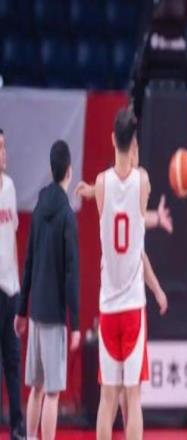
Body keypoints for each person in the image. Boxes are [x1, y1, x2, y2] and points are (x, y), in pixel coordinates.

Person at [74, 120, 170, 429]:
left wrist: (91, 191)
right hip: (132, 309)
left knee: (108, 398)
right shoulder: (143, 181)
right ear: (134, 144)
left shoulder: (102, 183)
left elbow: (113, 200)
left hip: (108, 308)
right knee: (133, 397)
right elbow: (136, 217)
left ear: (113, 138)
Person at [15, 140, 80, 440]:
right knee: (52, 392)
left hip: (36, 313)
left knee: (36, 389)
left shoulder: (40, 206)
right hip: (54, 317)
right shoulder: (67, 215)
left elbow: (28, 260)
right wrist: (75, 324)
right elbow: (71, 274)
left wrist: (21, 310)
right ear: (69, 171)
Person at [0, 129, 26, 440]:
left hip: (10, 288)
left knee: (13, 360)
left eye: (4, 146)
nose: (4, 153)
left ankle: (17, 426)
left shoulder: (9, 187)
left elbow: (13, 237)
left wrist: (18, 285)